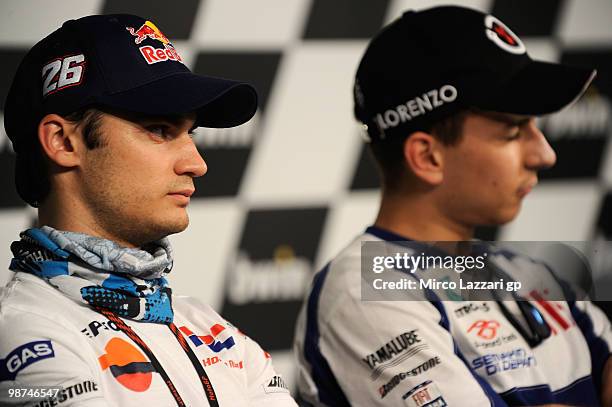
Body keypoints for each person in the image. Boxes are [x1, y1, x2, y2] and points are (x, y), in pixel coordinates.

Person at [294, 6, 612, 407]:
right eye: (514, 131)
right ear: (428, 158)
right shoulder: (362, 290)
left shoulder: (528, 272)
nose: (544, 154)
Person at [0, 14, 297, 406]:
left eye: (189, 133)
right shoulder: (24, 334)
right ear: (62, 142)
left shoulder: (212, 330)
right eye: (159, 130)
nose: (197, 163)